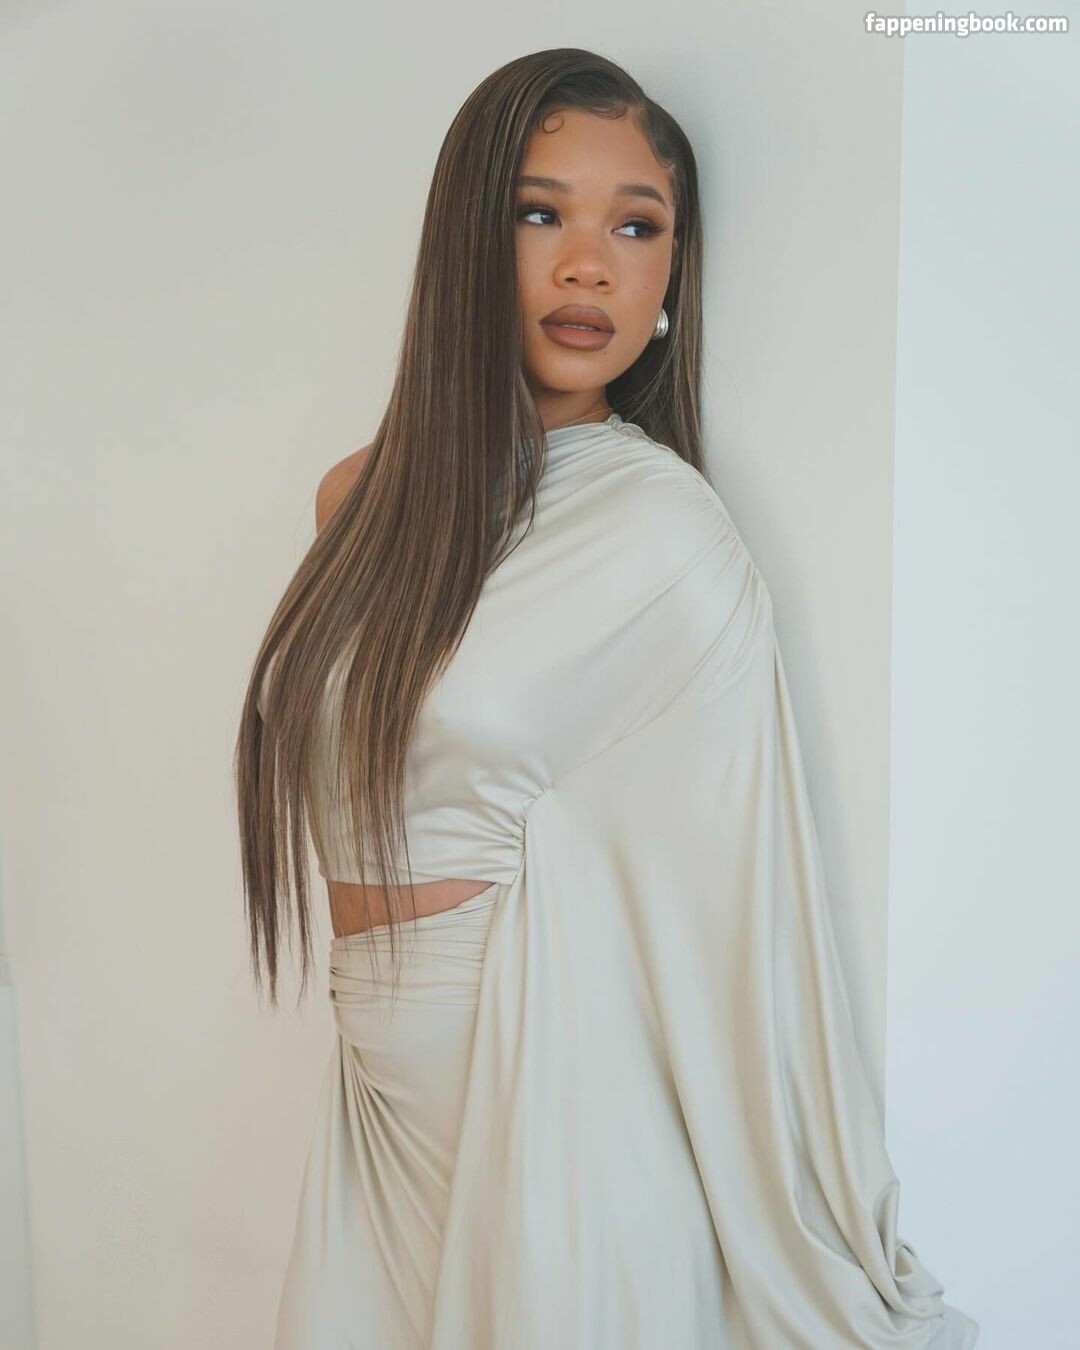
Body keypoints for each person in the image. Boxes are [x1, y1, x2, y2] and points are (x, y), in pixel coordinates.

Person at [234, 47, 979, 1350]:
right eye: (542, 214)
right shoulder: (354, 500)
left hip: (553, 1087)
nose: (590, 266)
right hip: (380, 1089)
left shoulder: (662, 533)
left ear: (673, 274)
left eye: (638, 227)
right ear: (468, 241)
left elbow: (734, 893)